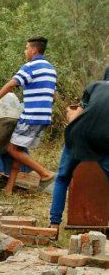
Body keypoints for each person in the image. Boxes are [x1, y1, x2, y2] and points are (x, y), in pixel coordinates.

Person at [0, 36, 57, 195]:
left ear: (34, 50)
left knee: (11, 149)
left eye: (26, 48)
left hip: (31, 116)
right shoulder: (50, 68)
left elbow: (10, 85)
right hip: (44, 117)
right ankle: (8, 189)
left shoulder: (29, 66)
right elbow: (54, 96)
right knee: (19, 149)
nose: (25, 51)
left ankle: (45, 173)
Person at [48, 76, 109, 227]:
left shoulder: (94, 86)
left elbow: (74, 119)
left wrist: (69, 112)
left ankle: (54, 225)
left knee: (62, 178)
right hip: (104, 139)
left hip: (78, 135)